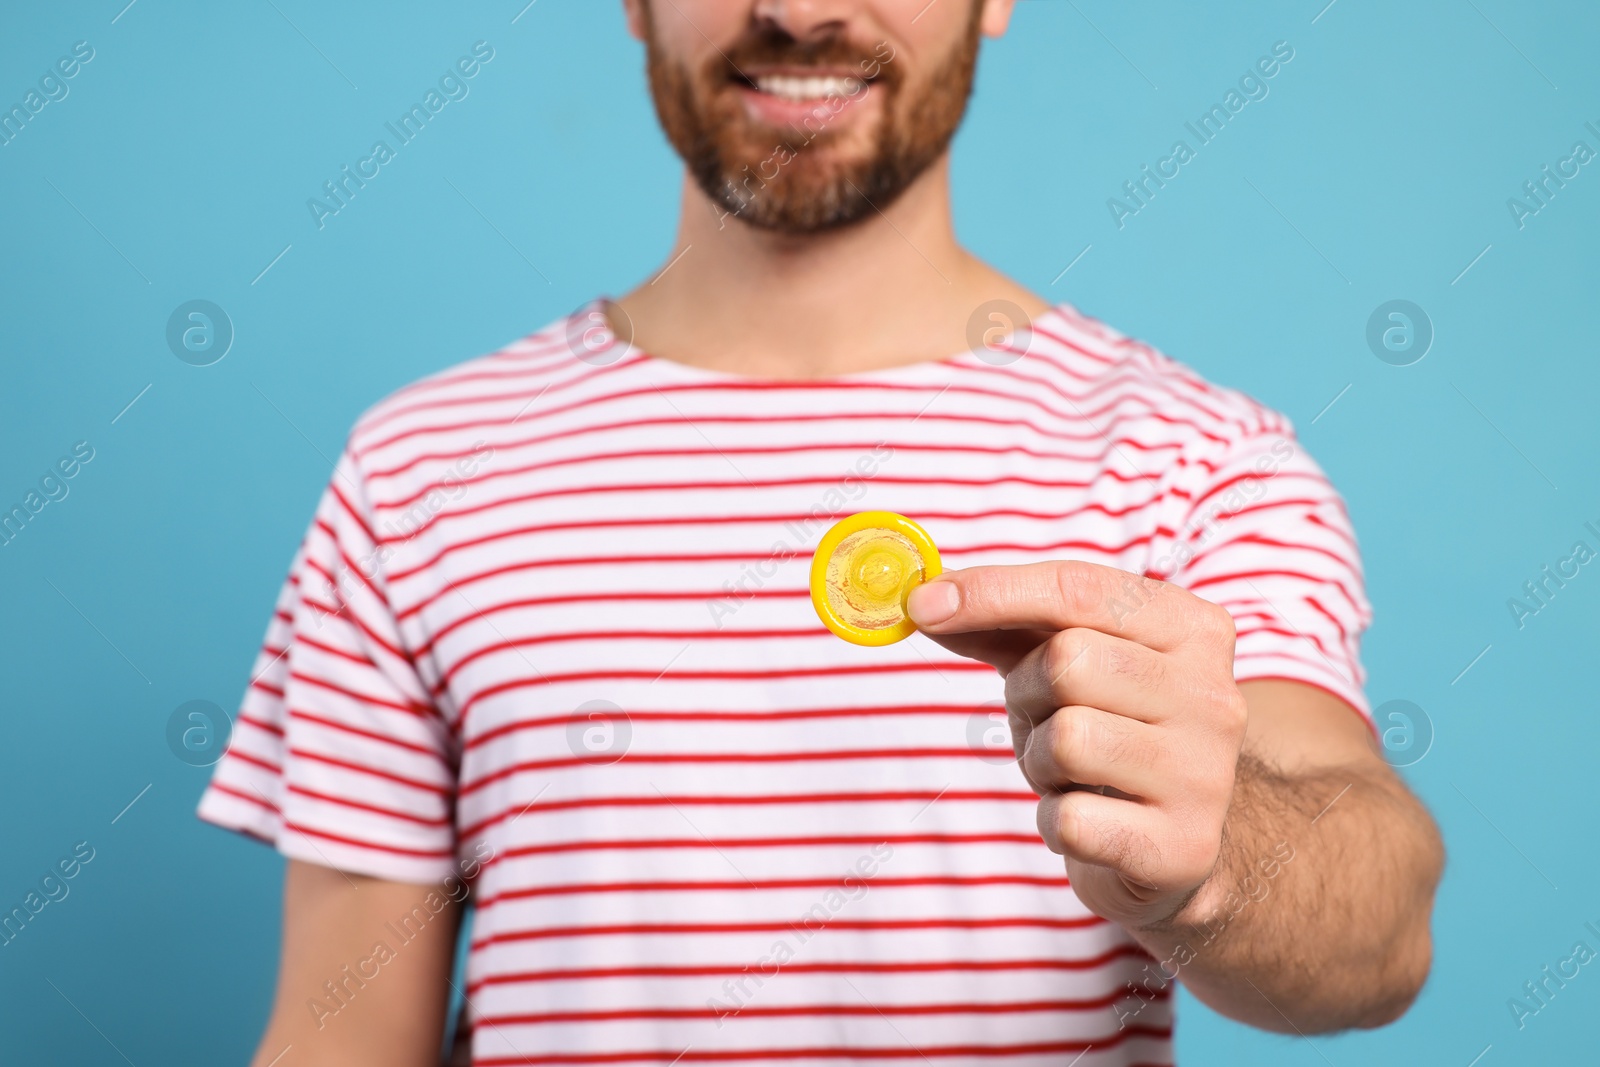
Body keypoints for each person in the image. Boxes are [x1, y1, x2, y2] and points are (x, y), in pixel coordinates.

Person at [199, 2, 1444, 1064]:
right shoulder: (417, 469)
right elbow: (339, 1037)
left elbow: (1377, 927)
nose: (798, 8)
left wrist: (1216, 855)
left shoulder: (1195, 460)